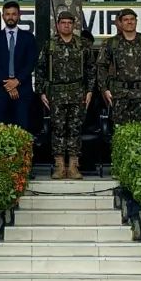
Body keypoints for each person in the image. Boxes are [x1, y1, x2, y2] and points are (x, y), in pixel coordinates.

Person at [37, 11, 95, 179]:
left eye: (70, 23)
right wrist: (41, 92)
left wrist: (90, 90)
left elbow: (91, 69)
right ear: (58, 25)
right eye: (63, 22)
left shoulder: (83, 45)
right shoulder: (50, 45)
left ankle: (74, 166)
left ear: (74, 25)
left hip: (78, 92)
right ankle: (60, 165)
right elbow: (40, 69)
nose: (66, 25)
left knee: (75, 129)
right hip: (57, 92)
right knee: (58, 129)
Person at [97, 8, 141, 125]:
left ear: (136, 22)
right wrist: (104, 89)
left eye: (132, 19)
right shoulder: (111, 43)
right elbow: (101, 66)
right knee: (120, 131)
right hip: (119, 95)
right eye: (126, 20)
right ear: (120, 23)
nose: (129, 22)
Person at [0, 1, 37, 129]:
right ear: (3, 16)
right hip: (1, 91)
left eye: (14, 14)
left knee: (23, 129)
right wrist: (9, 85)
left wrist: (17, 81)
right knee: (1, 130)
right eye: (7, 14)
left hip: (23, 91)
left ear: (19, 15)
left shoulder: (29, 38)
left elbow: (31, 63)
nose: (10, 17)